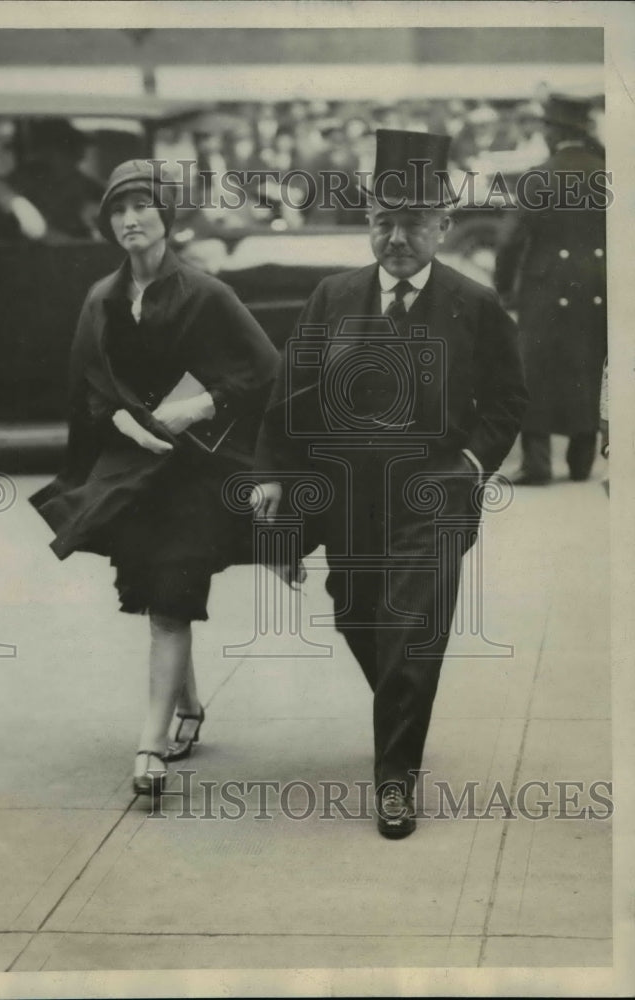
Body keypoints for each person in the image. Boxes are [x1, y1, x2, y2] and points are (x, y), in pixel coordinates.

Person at [253, 130, 527, 839]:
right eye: (383, 221)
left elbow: (506, 400)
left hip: (433, 491)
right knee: (354, 609)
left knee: (410, 626)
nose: (396, 237)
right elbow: (290, 393)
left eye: (413, 222)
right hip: (348, 493)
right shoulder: (331, 297)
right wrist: (275, 480)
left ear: (442, 225)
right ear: (367, 223)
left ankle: (395, 777)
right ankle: (403, 710)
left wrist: (469, 469)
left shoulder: (473, 303)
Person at [30, 160, 279, 796]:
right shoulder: (101, 297)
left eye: (142, 206)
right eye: (117, 209)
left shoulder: (206, 294)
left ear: (167, 217)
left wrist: (202, 404)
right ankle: (188, 710)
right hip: (134, 470)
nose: (129, 219)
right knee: (159, 599)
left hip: (196, 472)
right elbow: (86, 381)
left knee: (169, 602)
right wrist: (119, 415)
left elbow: (265, 370)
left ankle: (148, 746)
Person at [494, 94, 607, 485]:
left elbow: (509, 241)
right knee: (588, 364)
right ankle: (581, 463)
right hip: (598, 286)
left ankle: (537, 464)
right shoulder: (607, 173)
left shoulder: (538, 176)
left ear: (554, 131)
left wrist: (504, 288)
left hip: (545, 286)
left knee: (536, 371)